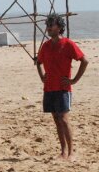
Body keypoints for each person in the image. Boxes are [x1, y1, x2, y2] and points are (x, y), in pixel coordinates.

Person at [35, 13, 89, 160]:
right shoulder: (45, 46)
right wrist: (42, 77)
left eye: (51, 26)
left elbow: (84, 61)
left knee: (64, 119)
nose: (48, 29)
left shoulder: (68, 44)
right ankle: (63, 151)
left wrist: (74, 80)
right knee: (56, 120)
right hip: (49, 88)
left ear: (59, 27)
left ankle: (72, 152)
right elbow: (38, 62)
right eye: (47, 26)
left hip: (63, 88)